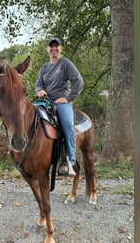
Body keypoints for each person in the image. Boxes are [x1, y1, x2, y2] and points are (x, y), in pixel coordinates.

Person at [35, 37, 84, 176]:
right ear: (48, 49)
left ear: (60, 49)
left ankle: (70, 160)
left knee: (68, 125)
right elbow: (38, 83)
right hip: (45, 101)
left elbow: (79, 82)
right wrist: (40, 91)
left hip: (61, 102)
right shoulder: (44, 67)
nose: (54, 49)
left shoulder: (65, 64)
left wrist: (68, 98)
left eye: (56, 47)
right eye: (51, 47)